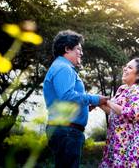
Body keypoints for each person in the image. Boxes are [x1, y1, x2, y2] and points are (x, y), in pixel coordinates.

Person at [43, 30, 108, 168]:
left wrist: (85, 107)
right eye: (78, 49)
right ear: (67, 49)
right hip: (67, 132)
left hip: (65, 131)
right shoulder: (63, 68)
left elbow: (64, 99)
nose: (81, 53)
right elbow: (67, 96)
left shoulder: (61, 67)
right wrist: (95, 99)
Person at [99, 58, 139, 168]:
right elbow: (113, 112)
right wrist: (98, 103)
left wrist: (108, 102)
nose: (125, 68)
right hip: (116, 144)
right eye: (126, 66)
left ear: (138, 75)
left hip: (130, 147)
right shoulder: (122, 89)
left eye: (130, 67)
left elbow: (132, 114)